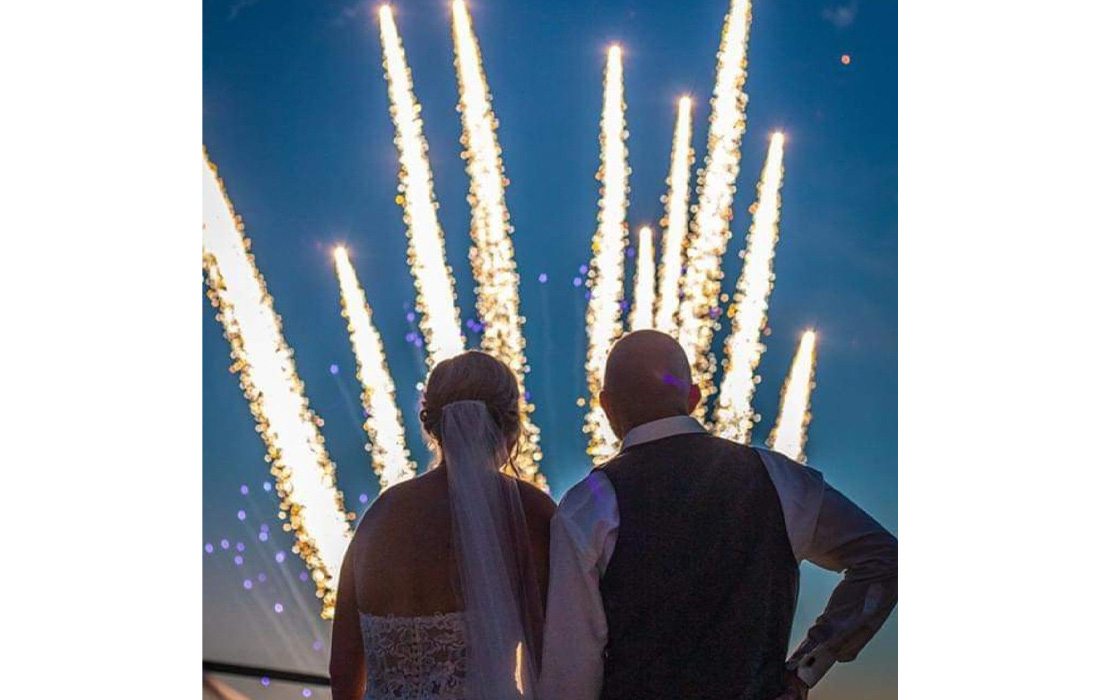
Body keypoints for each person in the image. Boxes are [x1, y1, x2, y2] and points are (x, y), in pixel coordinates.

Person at [539, 330, 898, 700]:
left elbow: (572, 664)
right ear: (693, 398)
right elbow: (884, 557)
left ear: (605, 405)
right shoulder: (779, 479)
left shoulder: (588, 504)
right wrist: (805, 667)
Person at [330, 351, 556, 700]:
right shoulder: (531, 513)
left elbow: (343, 670)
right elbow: (554, 656)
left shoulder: (378, 518)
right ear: (511, 425)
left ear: (431, 426)